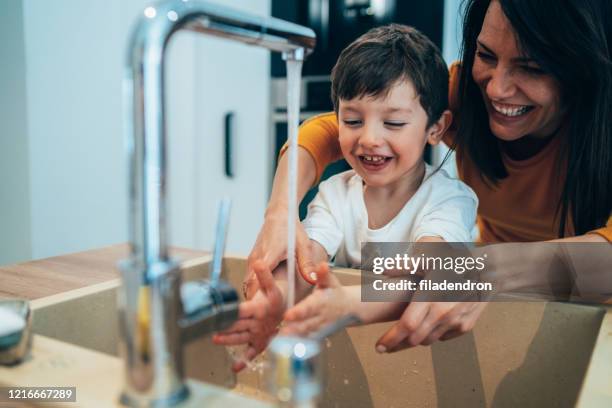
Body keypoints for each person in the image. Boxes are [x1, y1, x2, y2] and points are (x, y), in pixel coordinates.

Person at [245, 0, 612, 353]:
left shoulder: (448, 200)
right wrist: (279, 210)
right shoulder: (467, 94)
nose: (497, 88)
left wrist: (477, 268)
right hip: (489, 298)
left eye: (531, 67)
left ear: (584, 64)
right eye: (485, 55)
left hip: (594, 313)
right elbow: (329, 131)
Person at [213, 24, 478, 369]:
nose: (369, 138)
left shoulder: (449, 199)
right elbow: (307, 261)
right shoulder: (335, 193)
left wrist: (345, 304)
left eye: (393, 123)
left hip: (427, 363)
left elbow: (429, 272)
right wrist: (274, 296)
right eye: (352, 120)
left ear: (436, 128)